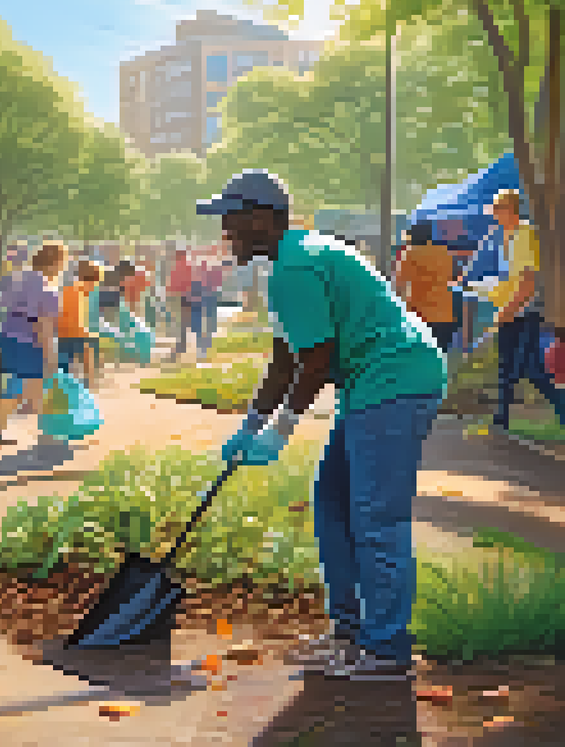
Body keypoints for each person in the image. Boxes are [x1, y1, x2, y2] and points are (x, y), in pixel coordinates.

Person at [208, 170, 446, 679]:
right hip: (371, 384)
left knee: (376, 517)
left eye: (231, 220)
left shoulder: (297, 265)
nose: (225, 232)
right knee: (334, 507)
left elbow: (315, 361)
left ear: (261, 218)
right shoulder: (289, 262)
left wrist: (282, 428)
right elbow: (284, 359)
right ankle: (350, 633)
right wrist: (251, 422)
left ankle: (386, 650)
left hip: (396, 381)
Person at [477, 189, 565, 430]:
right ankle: (501, 419)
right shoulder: (507, 237)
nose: (494, 214)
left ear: (511, 210)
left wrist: (509, 308)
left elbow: (528, 281)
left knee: (529, 369)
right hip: (513, 310)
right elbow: (511, 278)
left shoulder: (524, 236)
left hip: (525, 311)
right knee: (509, 366)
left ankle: (560, 410)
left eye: (498, 209)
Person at [0, 242, 65, 447]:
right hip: (28, 341)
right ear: (55, 263)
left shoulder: (20, 279)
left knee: (18, 384)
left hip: (8, 336)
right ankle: (48, 435)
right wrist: (51, 355)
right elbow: (43, 326)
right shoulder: (48, 289)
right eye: (62, 262)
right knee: (36, 386)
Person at [394, 222, 460, 353]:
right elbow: (454, 278)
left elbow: (399, 286)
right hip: (444, 314)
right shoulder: (445, 253)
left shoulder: (409, 254)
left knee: (420, 356)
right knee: (442, 355)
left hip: (419, 314)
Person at [57, 259, 103, 390]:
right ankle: (88, 388)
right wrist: (88, 334)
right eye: (96, 282)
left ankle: (85, 386)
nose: (96, 286)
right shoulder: (75, 292)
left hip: (66, 335)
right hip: (64, 336)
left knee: (90, 343)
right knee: (90, 344)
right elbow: (73, 324)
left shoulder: (78, 291)